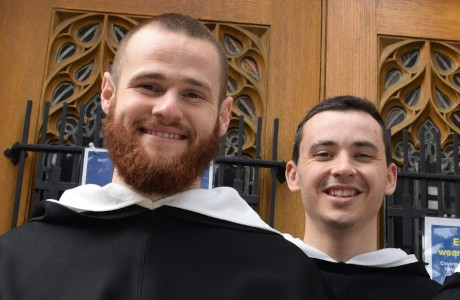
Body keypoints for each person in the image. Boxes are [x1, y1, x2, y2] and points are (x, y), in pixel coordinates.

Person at [0, 13, 329, 300]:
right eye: (149, 86)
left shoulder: (286, 276)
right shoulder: (13, 262)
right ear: (109, 94)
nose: (168, 109)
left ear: (224, 115)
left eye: (192, 94)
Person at [284, 95, 442, 300]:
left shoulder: (431, 297)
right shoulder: (252, 287)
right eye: (324, 154)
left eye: (363, 155)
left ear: (390, 178)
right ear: (293, 176)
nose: (343, 169)